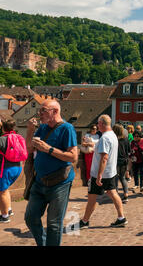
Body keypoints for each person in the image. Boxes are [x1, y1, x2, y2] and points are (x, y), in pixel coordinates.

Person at [25, 100, 78, 246]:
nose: (39, 113)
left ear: (54, 111)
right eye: (40, 110)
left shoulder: (67, 129)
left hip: (59, 182)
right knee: (30, 218)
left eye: (43, 110)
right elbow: (29, 149)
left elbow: (73, 156)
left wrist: (48, 149)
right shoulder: (42, 128)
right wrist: (30, 130)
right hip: (40, 181)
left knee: (54, 224)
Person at [77, 115, 128, 229]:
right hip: (110, 172)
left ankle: (85, 221)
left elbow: (104, 157)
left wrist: (99, 175)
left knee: (92, 197)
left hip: (100, 174)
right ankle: (121, 218)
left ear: (102, 124)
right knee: (113, 193)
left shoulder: (105, 138)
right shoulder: (113, 135)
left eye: (98, 123)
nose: (97, 125)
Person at [0, 120, 23, 223]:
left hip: (6, 168)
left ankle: (4, 217)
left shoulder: (2, 139)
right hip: (18, 167)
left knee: (2, 192)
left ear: (3, 128)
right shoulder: (18, 137)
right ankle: (9, 210)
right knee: (6, 189)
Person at [113, 124, 130, 203]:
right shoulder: (126, 139)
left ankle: (116, 197)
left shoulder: (114, 139)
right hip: (124, 160)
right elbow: (128, 151)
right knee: (122, 178)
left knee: (115, 178)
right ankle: (126, 195)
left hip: (115, 160)